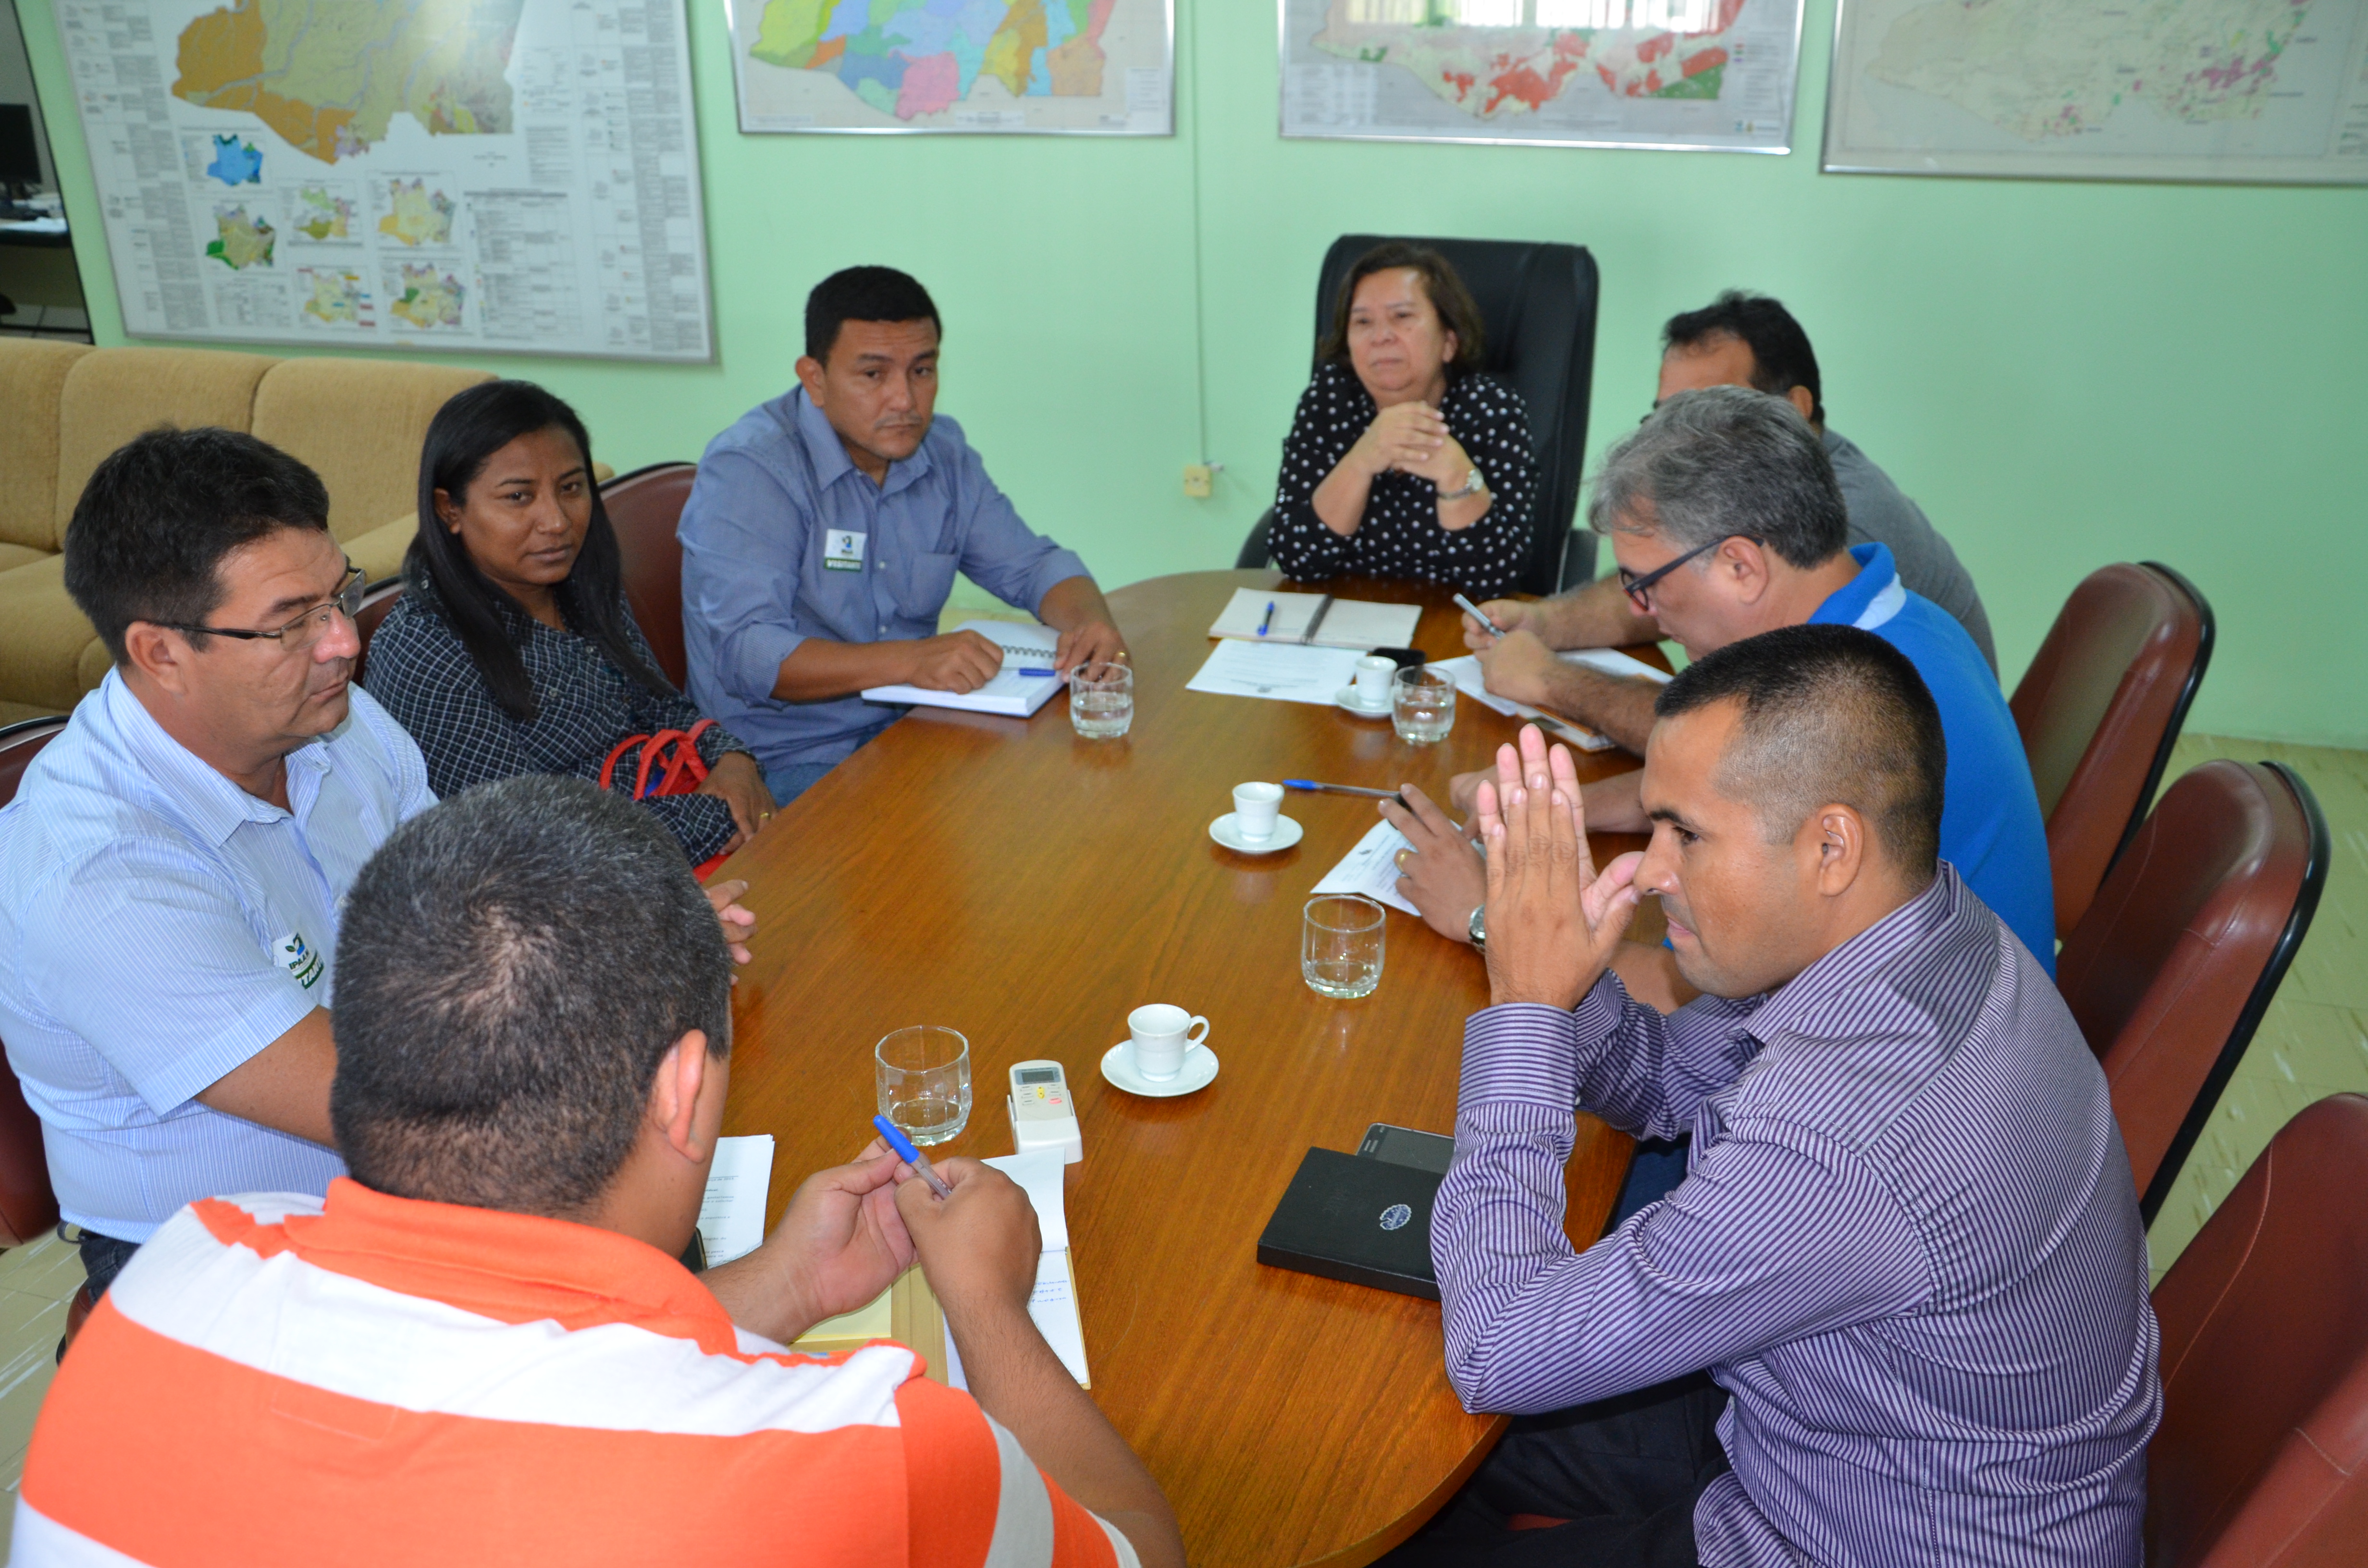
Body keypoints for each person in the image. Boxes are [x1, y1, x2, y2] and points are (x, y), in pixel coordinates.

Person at [15, 777, 1184, 1568]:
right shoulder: (860, 1450)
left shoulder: (174, 1278)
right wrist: (985, 1298)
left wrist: (782, 1284)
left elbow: (492, 1372)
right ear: (685, 1092)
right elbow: (1137, 1549)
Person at [1389, 629, 2158, 1568]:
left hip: (1857, 1537)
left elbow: (1497, 1350)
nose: (1648, 870)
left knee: (1419, 1452)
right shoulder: (1922, 926)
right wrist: (1555, 966)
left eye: (1686, 833)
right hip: (1823, 1427)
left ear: (1830, 845)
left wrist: (1522, 1008)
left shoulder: (1843, 1132)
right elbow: (1667, 1082)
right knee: (1402, 1440)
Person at [0, 429, 754, 1303]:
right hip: (232, 1258)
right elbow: (386, 1108)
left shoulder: (337, 724)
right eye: (292, 621)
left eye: (340, 596)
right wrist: (625, 988)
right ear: (160, 651)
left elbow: (473, 912)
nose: (342, 644)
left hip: (404, 1173)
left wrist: (634, 933)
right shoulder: (99, 872)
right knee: (643, 1253)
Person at [1389, 386, 2055, 983]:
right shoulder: (1901, 621)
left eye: (1647, 585)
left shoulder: (1840, 714)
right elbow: (1731, 790)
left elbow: (1693, 1013)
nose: (1643, 613)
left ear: (1741, 566)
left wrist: (1489, 914)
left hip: (1903, 1077)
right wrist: (1560, 812)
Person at [679, 265, 1130, 804]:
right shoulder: (752, 469)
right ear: (814, 378)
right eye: (874, 375)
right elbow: (749, 652)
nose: (905, 400)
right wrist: (910, 661)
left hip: (914, 727)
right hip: (782, 760)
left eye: (922, 370)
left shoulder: (941, 452)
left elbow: (1033, 566)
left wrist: (1091, 623)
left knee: (1079, 798)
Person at [1464, 289, 1995, 671]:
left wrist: (1552, 682)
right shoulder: (1753, 495)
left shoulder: (1836, 522)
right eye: (1664, 415)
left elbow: (1730, 736)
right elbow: (1672, 581)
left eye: (1706, 410)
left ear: (1791, 409)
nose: (1673, 437)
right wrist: (1544, 625)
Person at [364, 380, 775, 867]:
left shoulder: (579, 582)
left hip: (673, 836)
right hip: (574, 899)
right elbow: (528, 842)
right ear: (449, 509)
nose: (556, 520)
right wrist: (715, 817)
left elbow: (661, 706)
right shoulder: (425, 647)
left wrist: (734, 762)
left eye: (571, 488)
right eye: (519, 497)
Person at [1267, 242, 1539, 600]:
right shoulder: (1329, 401)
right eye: (1363, 321)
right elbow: (1296, 558)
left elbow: (1496, 580)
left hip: (1453, 627)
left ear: (1449, 342)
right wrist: (1361, 461)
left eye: (1402, 317)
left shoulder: (1490, 410)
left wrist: (1457, 476)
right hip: (1343, 620)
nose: (1381, 337)